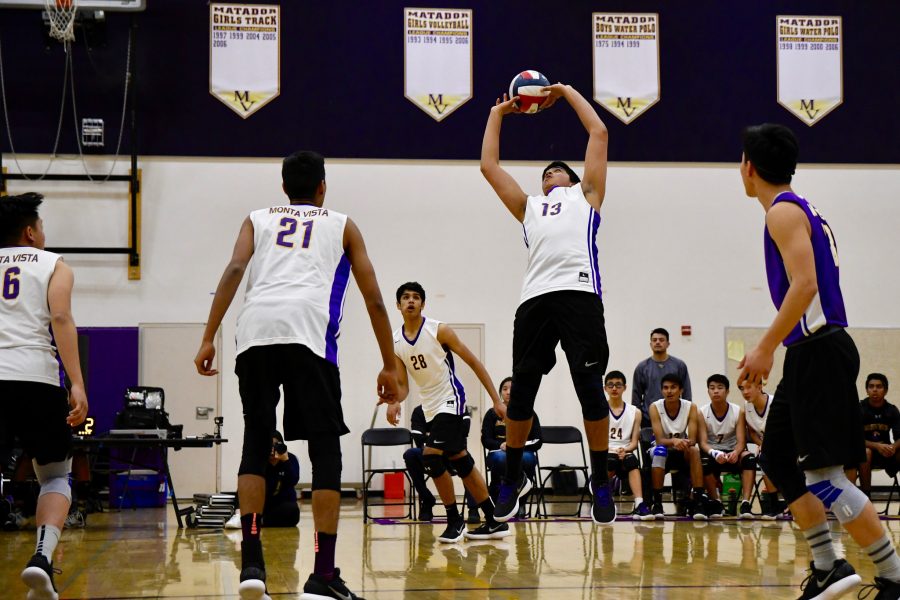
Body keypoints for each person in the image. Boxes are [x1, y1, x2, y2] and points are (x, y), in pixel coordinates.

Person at [194, 151, 399, 600]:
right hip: (308, 333)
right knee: (327, 454)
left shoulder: (257, 218)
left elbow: (233, 270)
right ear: (322, 188)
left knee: (255, 444)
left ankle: (252, 563)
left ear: (284, 187)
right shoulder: (341, 224)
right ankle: (323, 574)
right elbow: (376, 300)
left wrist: (209, 335)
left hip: (255, 332)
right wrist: (389, 361)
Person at [737, 123, 900, 599]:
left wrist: (765, 345)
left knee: (825, 479)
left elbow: (805, 285)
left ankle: (893, 577)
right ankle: (829, 566)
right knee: (778, 460)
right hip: (810, 353)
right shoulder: (795, 209)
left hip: (819, 351)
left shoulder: (783, 212)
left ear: (748, 167)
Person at [480, 82, 616, 524]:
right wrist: (500, 114)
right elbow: (488, 165)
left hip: (579, 294)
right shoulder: (529, 208)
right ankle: (512, 478)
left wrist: (564, 92)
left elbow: (598, 133)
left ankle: (599, 480)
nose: (549, 173)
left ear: (573, 179)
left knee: (589, 390)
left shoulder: (587, 196)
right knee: (522, 392)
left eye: (557, 170)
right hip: (535, 299)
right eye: (544, 172)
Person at [0, 192, 89, 600]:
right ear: (30, 231)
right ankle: (40, 558)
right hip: (35, 378)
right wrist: (77, 383)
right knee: (54, 475)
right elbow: (60, 318)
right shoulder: (54, 263)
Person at [386, 282, 508, 542]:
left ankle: (455, 520)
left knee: (431, 456)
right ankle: (494, 519)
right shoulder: (395, 342)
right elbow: (404, 387)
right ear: (398, 305)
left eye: (416, 297)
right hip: (430, 406)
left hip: (451, 400)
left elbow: (474, 363)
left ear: (422, 304)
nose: (411, 301)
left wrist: (496, 400)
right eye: (405, 297)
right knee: (461, 461)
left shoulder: (438, 330)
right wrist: (394, 401)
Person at [402, 404, 479, 523]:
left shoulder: (459, 406)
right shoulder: (419, 411)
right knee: (410, 455)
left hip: (454, 453)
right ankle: (427, 500)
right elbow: (418, 438)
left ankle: (473, 508)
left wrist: (436, 442)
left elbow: (463, 430)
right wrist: (442, 442)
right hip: (430, 455)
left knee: (466, 460)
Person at [647, 374, 708, 520]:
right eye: (666, 388)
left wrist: (682, 442)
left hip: (682, 448)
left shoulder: (690, 407)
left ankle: (698, 502)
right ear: (662, 391)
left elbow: (692, 439)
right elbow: (660, 440)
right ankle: (657, 503)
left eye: (673, 387)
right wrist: (674, 441)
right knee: (660, 451)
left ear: (681, 390)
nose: (669, 391)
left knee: (694, 450)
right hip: (661, 449)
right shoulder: (655, 407)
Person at [481, 376, 543, 516]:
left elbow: (538, 440)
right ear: (500, 392)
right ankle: (498, 500)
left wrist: (518, 446)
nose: (508, 392)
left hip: (522, 451)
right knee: (499, 459)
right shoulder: (492, 414)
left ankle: (521, 503)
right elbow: (486, 440)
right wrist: (501, 444)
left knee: (528, 459)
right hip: (498, 452)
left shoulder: (529, 413)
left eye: (512, 389)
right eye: (505, 389)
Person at [697, 374, 756, 518]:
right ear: (708, 391)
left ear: (727, 391)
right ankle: (716, 502)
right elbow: (702, 442)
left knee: (749, 459)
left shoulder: (738, 411)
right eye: (712, 388)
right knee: (703, 462)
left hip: (733, 452)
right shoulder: (702, 412)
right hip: (713, 453)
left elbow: (742, 442)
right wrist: (715, 453)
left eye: (720, 388)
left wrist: (736, 452)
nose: (715, 391)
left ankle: (746, 503)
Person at [603, 370, 652, 520]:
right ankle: (602, 500)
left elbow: (634, 442)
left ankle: (639, 504)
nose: (614, 388)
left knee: (632, 461)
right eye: (610, 385)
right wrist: (613, 450)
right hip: (606, 451)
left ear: (624, 387)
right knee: (610, 461)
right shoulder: (599, 410)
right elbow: (598, 440)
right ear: (605, 388)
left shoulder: (635, 412)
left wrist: (625, 450)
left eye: (618, 385)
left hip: (626, 451)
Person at [738, 379, 784, 519]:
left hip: (787, 444)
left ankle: (788, 503)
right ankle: (775, 505)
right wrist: (761, 444)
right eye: (741, 388)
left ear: (759, 386)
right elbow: (752, 432)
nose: (745, 392)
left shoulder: (775, 403)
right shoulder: (747, 406)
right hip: (768, 447)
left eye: (748, 387)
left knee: (767, 457)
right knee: (764, 458)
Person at [632, 328, 693, 427]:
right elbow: (636, 396)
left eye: (661, 340)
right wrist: (638, 420)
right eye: (654, 340)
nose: (657, 342)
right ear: (650, 344)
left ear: (668, 344)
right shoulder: (642, 367)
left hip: (675, 419)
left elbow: (686, 394)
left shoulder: (679, 365)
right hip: (648, 420)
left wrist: (686, 416)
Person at [858, 374, 900, 499]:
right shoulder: (859, 409)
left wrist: (893, 446)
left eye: (879, 386)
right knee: (866, 452)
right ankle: (867, 497)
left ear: (885, 390)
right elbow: (853, 438)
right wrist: (876, 446)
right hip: (863, 455)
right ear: (866, 390)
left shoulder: (892, 410)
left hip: (886, 453)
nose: (875, 390)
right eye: (871, 386)